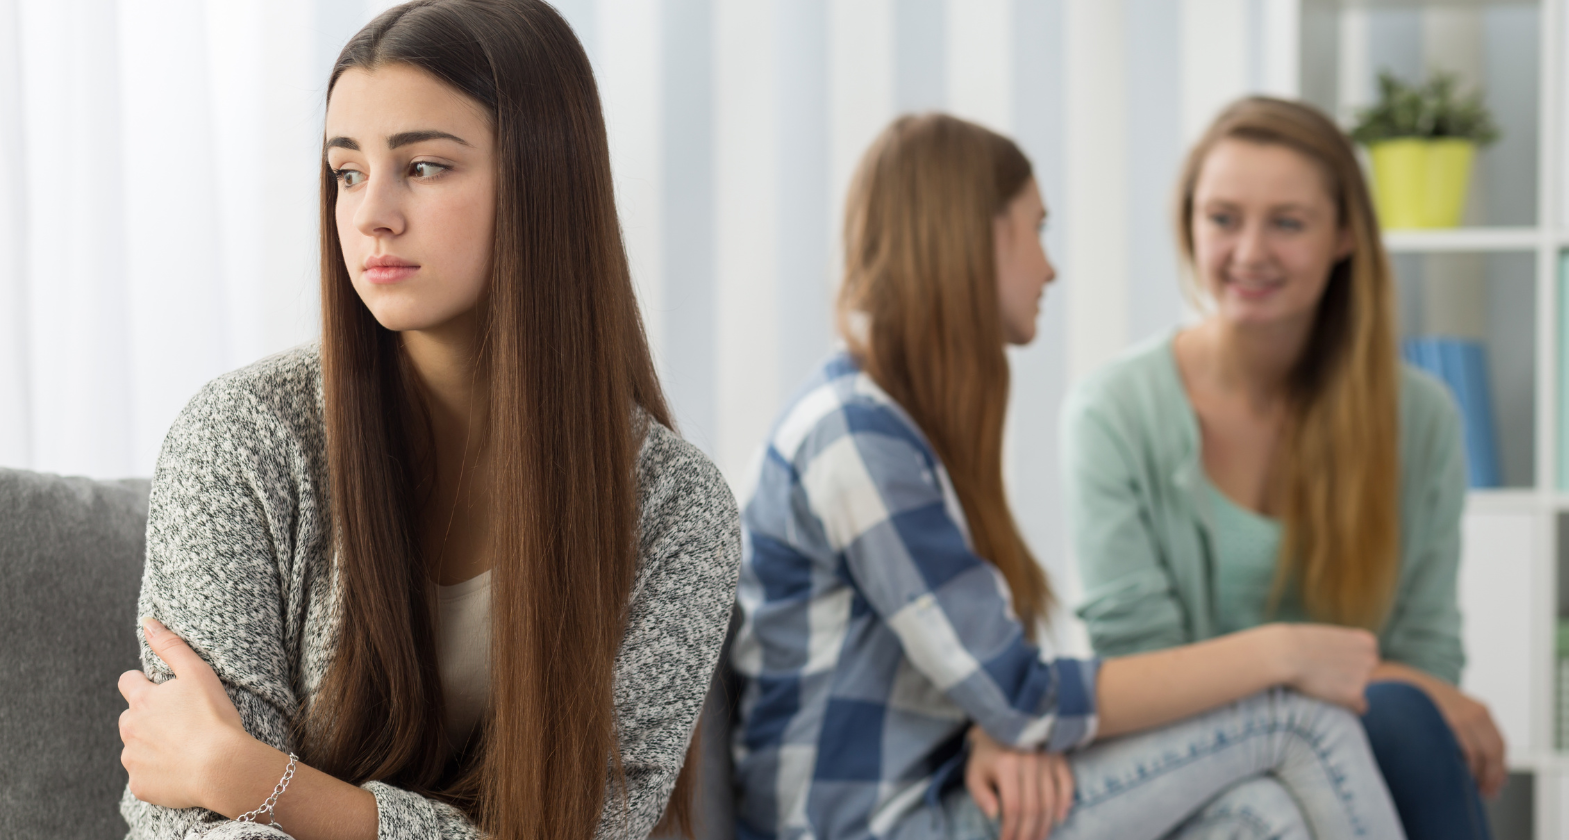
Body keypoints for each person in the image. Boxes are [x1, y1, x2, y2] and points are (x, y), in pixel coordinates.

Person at [114, 2, 740, 838]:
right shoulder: (240, 441)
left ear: (543, 178)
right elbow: (188, 824)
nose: (371, 212)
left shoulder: (676, 510)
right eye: (346, 172)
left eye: (425, 167)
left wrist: (258, 779)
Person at [732, 112, 1404, 840]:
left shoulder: (895, 423)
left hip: (935, 794)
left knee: (1257, 817)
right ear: (973, 236)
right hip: (868, 828)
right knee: (1295, 715)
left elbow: (992, 685)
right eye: (1037, 229)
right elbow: (1025, 695)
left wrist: (996, 733)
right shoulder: (854, 438)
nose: (1049, 267)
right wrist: (1283, 650)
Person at [1063, 96, 1504, 840]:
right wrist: (1304, 662)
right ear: (1189, 225)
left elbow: (1428, 655)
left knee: (1406, 721)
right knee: (1396, 713)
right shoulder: (1113, 410)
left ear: (1343, 237)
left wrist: (1387, 683)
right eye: (1223, 218)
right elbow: (1144, 664)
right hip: (1184, 756)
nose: (1249, 252)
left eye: (1288, 222)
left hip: (1367, 743)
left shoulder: (1420, 418)